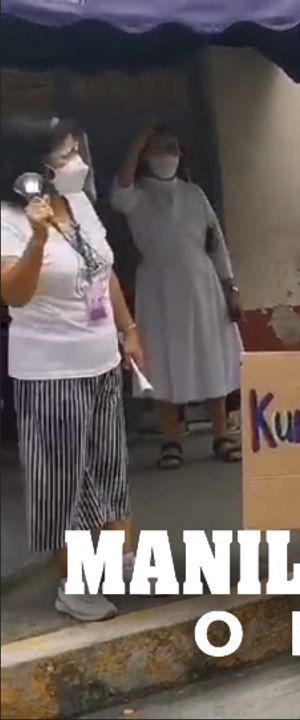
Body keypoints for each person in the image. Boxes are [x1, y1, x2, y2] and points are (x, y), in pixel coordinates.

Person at [0, 116, 144, 622]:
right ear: (30, 169)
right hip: (49, 370)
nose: (75, 162)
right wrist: (38, 241)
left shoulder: (79, 202)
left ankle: (115, 563)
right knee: (64, 481)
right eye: (62, 156)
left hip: (100, 359)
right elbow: (12, 293)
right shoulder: (8, 219)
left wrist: (129, 330)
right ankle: (74, 584)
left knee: (108, 469)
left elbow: (104, 271)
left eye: (73, 151)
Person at [111, 122, 244, 469]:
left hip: (202, 285)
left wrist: (230, 286)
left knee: (210, 357)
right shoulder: (136, 193)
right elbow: (120, 189)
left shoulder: (194, 194)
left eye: (172, 147)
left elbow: (216, 243)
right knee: (162, 362)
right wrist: (138, 142)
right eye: (158, 147)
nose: (166, 154)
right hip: (159, 289)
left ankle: (221, 435)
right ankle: (171, 440)